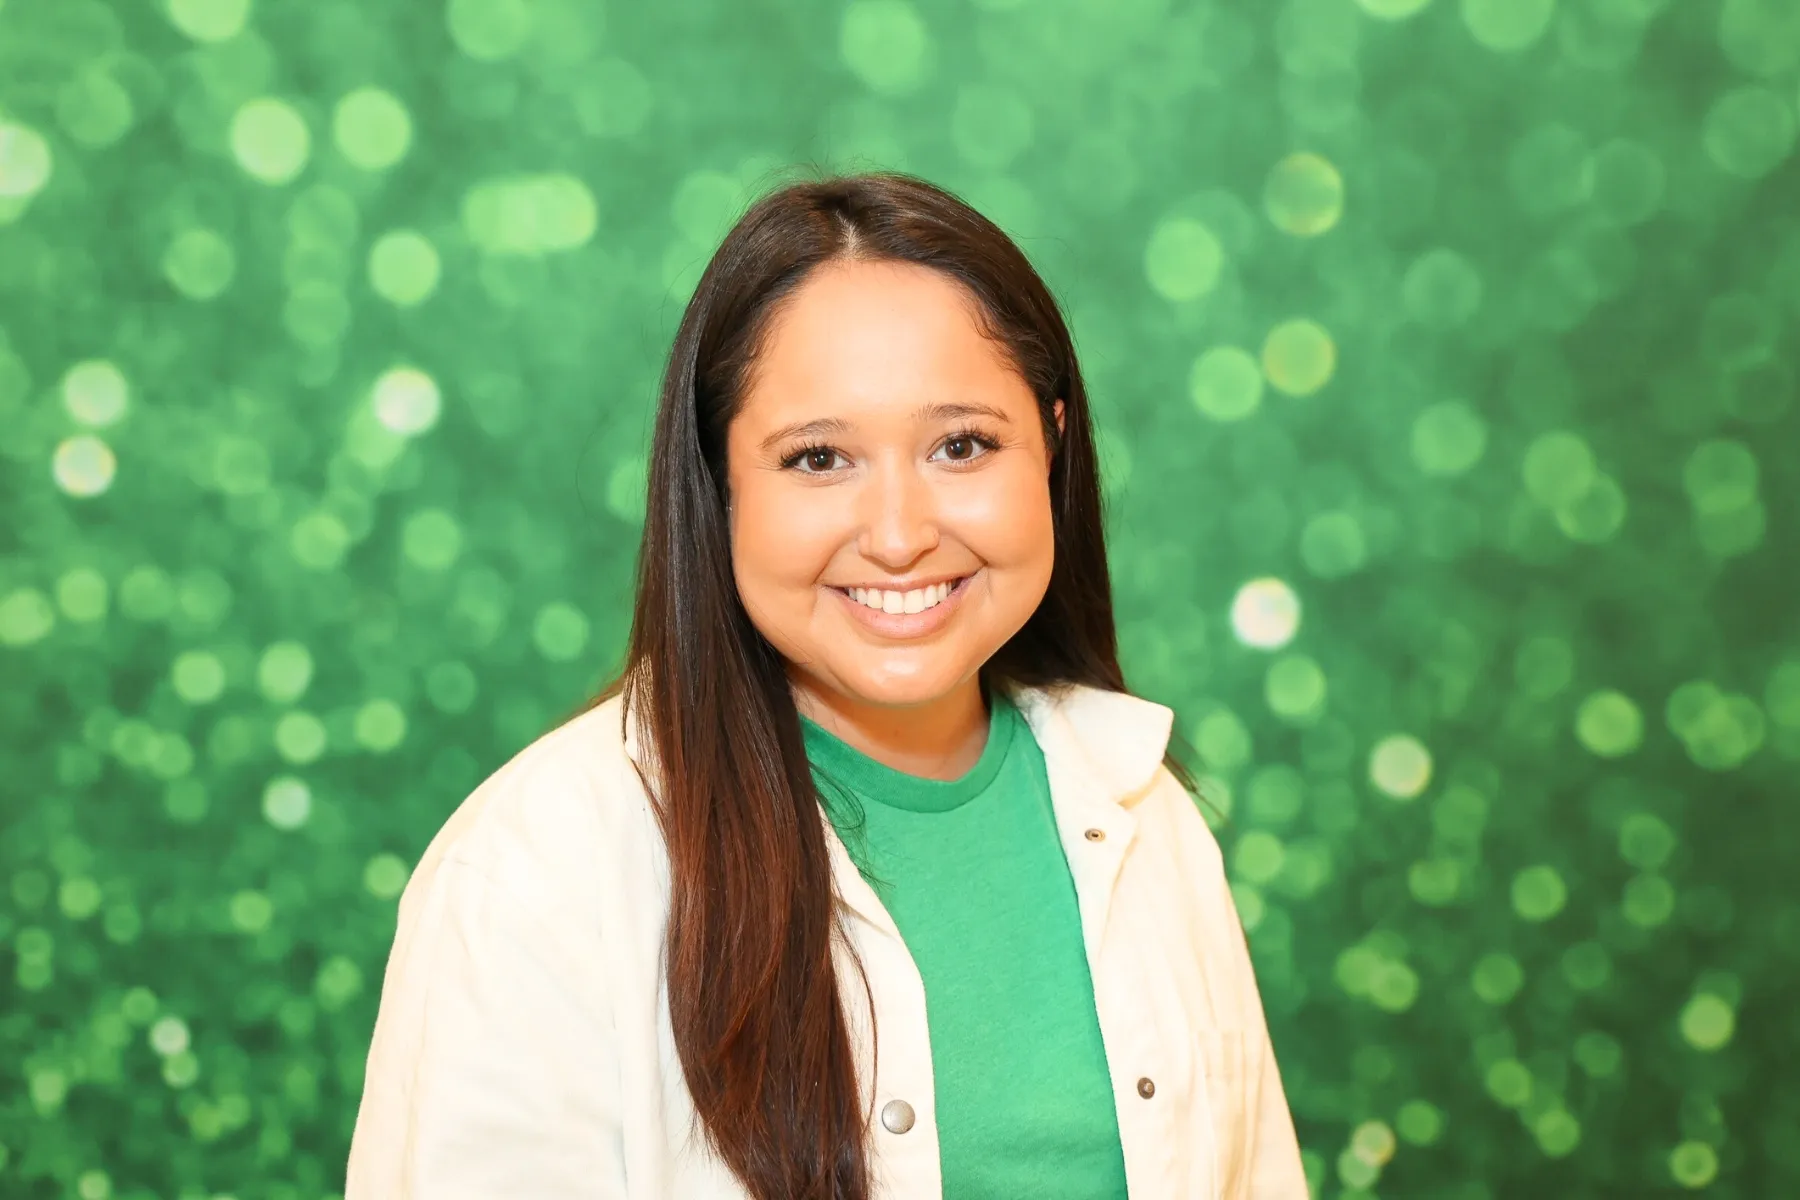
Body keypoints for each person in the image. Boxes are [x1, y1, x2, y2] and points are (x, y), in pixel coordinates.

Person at [344, 170, 1308, 1200]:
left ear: (1054, 443)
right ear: (718, 486)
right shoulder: (536, 872)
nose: (898, 536)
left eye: (963, 445)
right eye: (817, 460)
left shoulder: (1149, 818)